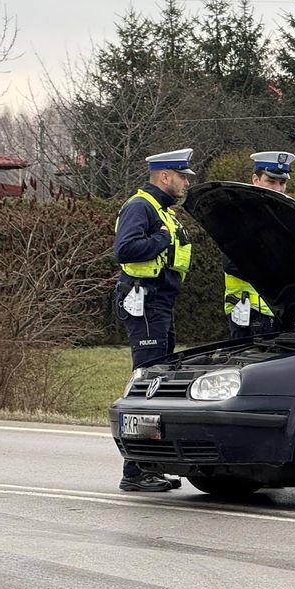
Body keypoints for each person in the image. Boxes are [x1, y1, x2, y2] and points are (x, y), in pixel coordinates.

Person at [113, 148, 195, 492]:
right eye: (182, 177)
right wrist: (161, 239)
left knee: (157, 381)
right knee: (147, 383)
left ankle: (149, 463)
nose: (186, 183)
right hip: (145, 303)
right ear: (165, 176)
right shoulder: (141, 207)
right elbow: (125, 250)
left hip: (159, 304)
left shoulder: (162, 210)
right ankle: (134, 471)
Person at [223, 151, 293, 338]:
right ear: (255, 180)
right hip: (249, 312)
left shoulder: (283, 217)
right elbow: (231, 263)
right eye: (271, 181)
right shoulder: (239, 215)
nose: (278, 188)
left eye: (282, 183)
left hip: (280, 311)